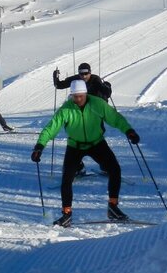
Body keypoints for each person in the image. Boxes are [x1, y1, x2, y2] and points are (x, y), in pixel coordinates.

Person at [31, 79, 140, 227]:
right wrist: (39, 146)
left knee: (115, 169)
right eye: (75, 96)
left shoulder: (97, 104)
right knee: (66, 179)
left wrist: (129, 131)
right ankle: (66, 214)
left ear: (85, 93)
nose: (78, 99)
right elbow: (51, 128)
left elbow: (115, 118)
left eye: (80, 96)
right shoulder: (66, 109)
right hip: (75, 146)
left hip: (97, 143)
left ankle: (113, 207)